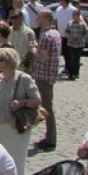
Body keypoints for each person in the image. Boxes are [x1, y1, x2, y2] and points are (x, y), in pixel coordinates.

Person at [0, 47, 41, 175]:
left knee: (17, 161)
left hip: (18, 128)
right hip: (0, 128)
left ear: (8, 62)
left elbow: (37, 100)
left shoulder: (24, 79)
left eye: (0, 60)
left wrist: (22, 102)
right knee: (2, 161)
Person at [31, 10, 61, 151]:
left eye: (40, 17)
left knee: (47, 107)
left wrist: (32, 50)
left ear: (46, 19)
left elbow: (42, 57)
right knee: (47, 106)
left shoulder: (45, 35)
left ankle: (51, 139)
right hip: (51, 75)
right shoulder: (55, 33)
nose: (37, 19)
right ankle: (49, 136)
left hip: (43, 75)